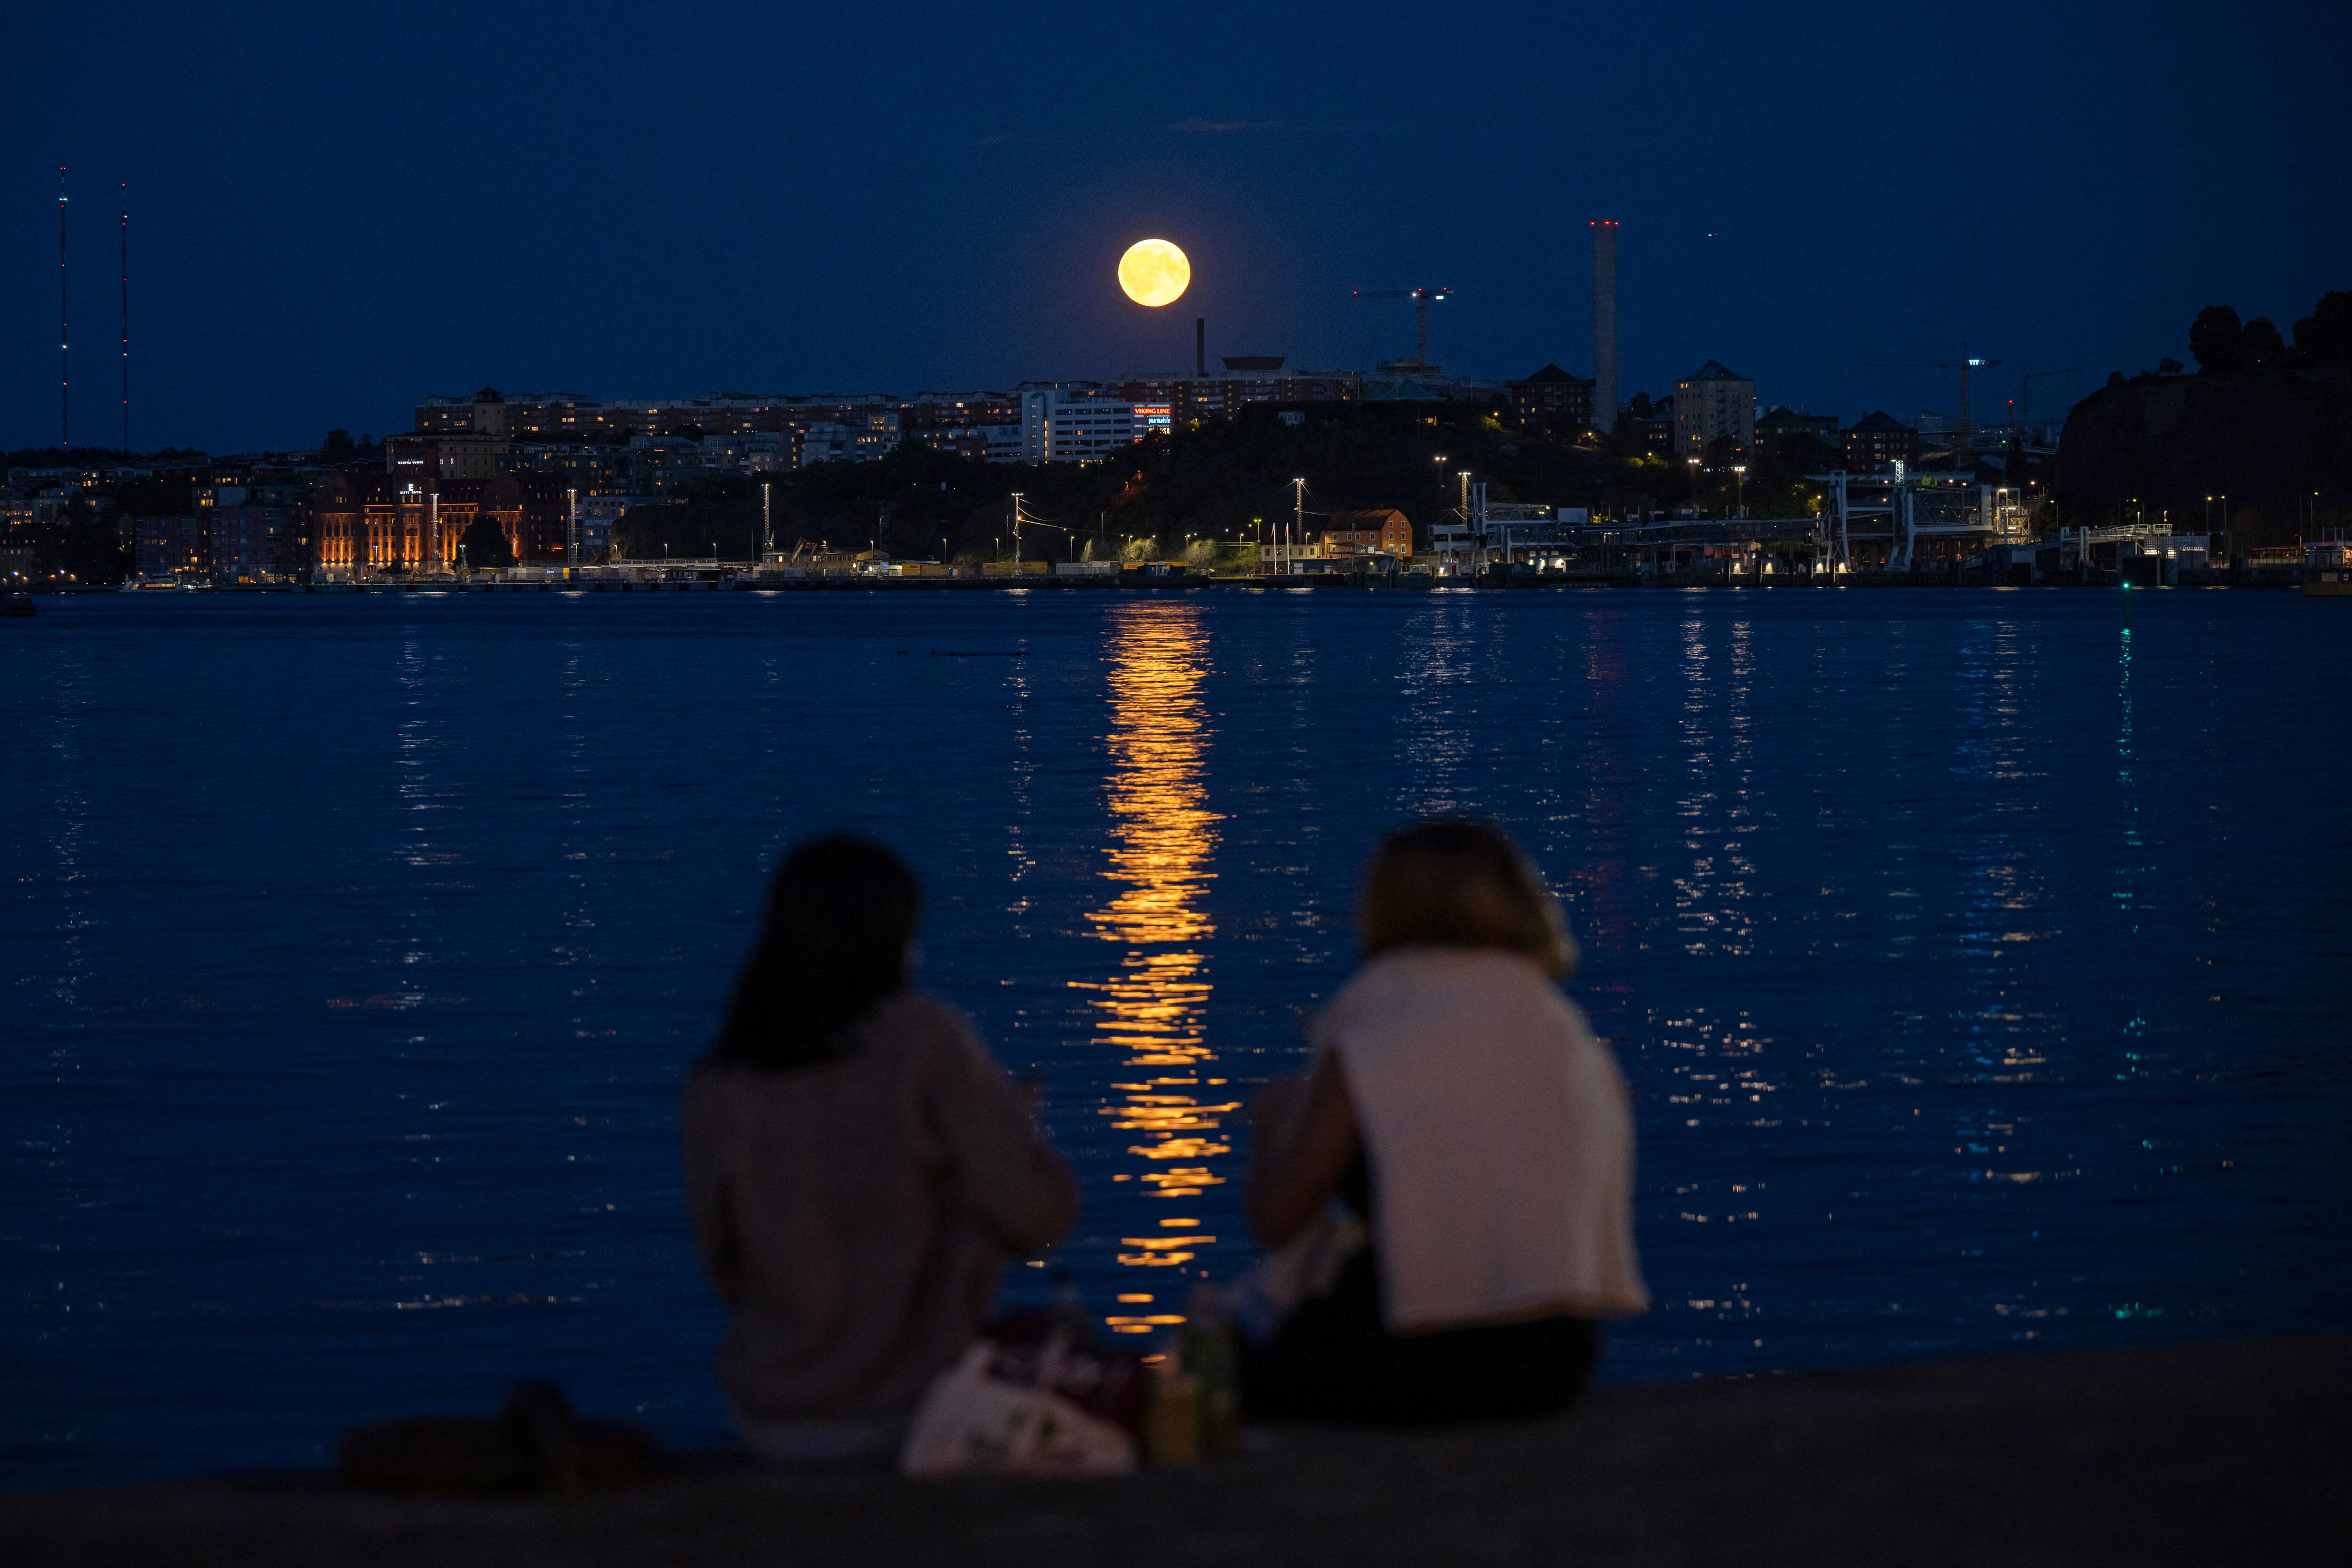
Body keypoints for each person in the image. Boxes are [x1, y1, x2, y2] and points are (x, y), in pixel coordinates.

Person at [683, 835, 1079, 1462]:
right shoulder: (923, 1044)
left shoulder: (721, 1083)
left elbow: (726, 1265)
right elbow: (1038, 1218)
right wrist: (1013, 1136)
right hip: (906, 1411)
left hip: (767, 1413)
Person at [1238, 819, 1648, 1423]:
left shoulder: (1377, 1027)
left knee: (1217, 1367)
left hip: (1409, 1351)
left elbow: (1275, 1219)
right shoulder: (1564, 1031)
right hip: (1557, 1359)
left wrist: (1272, 1127)